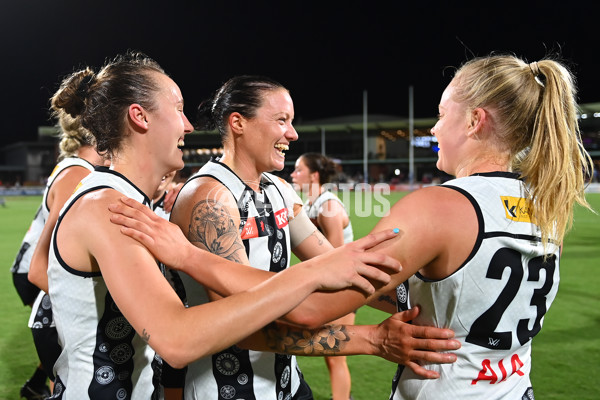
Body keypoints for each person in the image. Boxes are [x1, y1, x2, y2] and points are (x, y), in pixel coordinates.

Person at [44, 51, 419, 400]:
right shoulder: (111, 206)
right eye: (178, 109)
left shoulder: (133, 203)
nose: (189, 126)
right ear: (140, 116)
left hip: (277, 382)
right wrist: (358, 326)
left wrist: (412, 295)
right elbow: (180, 338)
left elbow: (337, 273)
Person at [109, 75, 460, 400]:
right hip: (224, 390)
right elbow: (241, 327)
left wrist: (424, 303)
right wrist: (370, 339)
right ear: (238, 123)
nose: (292, 134)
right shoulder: (209, 198)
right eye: (281, 120)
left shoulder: (278, 190)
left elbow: (336, 270)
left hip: (286, 385)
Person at [363, 55, 592, 399]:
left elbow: (317, 305)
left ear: (474, 120)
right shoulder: (549, 210)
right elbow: (463, 302)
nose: (435, 128)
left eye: (441, 115)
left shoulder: (439, 206)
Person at [11, 106, 103, 399]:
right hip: (34, 271)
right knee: (63, 341)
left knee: (63, 344)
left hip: (33, 269)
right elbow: (44, 266)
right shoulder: (77, 173)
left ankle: (39, 383)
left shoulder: (80, 168)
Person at [291, 153, 355, 400]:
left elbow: (337, 257)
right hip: (326, 287)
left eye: (298, 170)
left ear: (314, 176)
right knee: (330, 355)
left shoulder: (328, 206)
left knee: (335, 356)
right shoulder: (311, 205)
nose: (293, 174)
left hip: (342, 288)